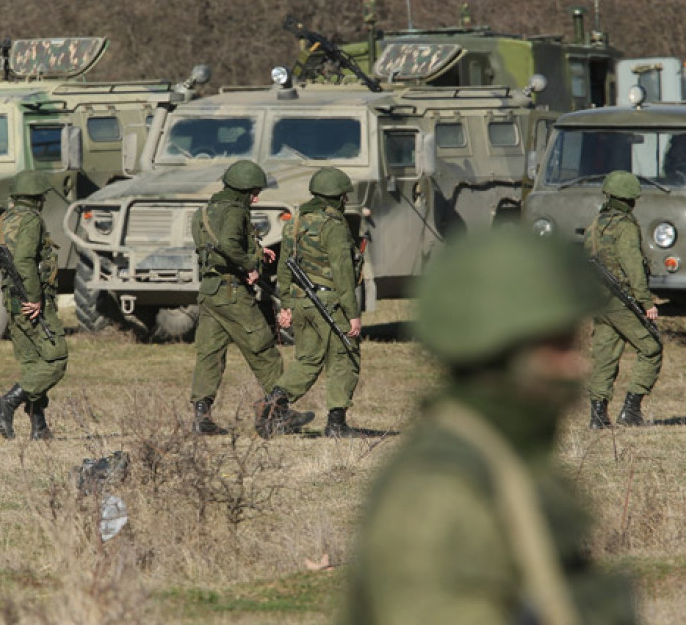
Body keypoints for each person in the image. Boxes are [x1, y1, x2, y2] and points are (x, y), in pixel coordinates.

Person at [341, 229, 638, 625]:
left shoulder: (505, 459)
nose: (579, 366)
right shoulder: (439, 493)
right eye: (559, 348)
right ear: (503, 354)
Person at [189, 160, 312, 435]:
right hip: (232, 293)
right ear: (241, 190)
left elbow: (211, 250)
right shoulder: (234, 211)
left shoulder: (205, 211)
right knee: (263, 349)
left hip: (210, 291)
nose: (256, 198)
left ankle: (201, 417)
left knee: (209, 354)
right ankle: (277, 414)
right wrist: (249, 264)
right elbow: (229, 245)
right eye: (253, 192)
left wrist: (257, 253)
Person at [257, 168, 365, 438]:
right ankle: (337, 424)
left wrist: (288, 305)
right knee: (344, 357)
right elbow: (343, 272)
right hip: (329, 301)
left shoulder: (295, 222)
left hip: (303, 301)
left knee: (307, 360)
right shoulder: (334, 226)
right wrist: (353, 314)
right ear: (338, 197)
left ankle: (273, 407)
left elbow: (284, 267)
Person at [0, 171, 68, 440]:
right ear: (37, 198)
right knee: (56, 360)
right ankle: (7, 402)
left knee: (33, 364)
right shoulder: (31, 220)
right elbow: (24, 261)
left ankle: (39, 427)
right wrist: (34, 298)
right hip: (30, 302)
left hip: (12, 301)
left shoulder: (4, 220)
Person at [585, 171, 661, 428]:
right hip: (621, 301)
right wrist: (647, 302)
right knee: (652, 347)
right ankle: (631, 411)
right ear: (631, 199)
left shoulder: (596, 224)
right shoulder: (626, 227)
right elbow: (633, 268)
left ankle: (597, 417)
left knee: (605, 356)